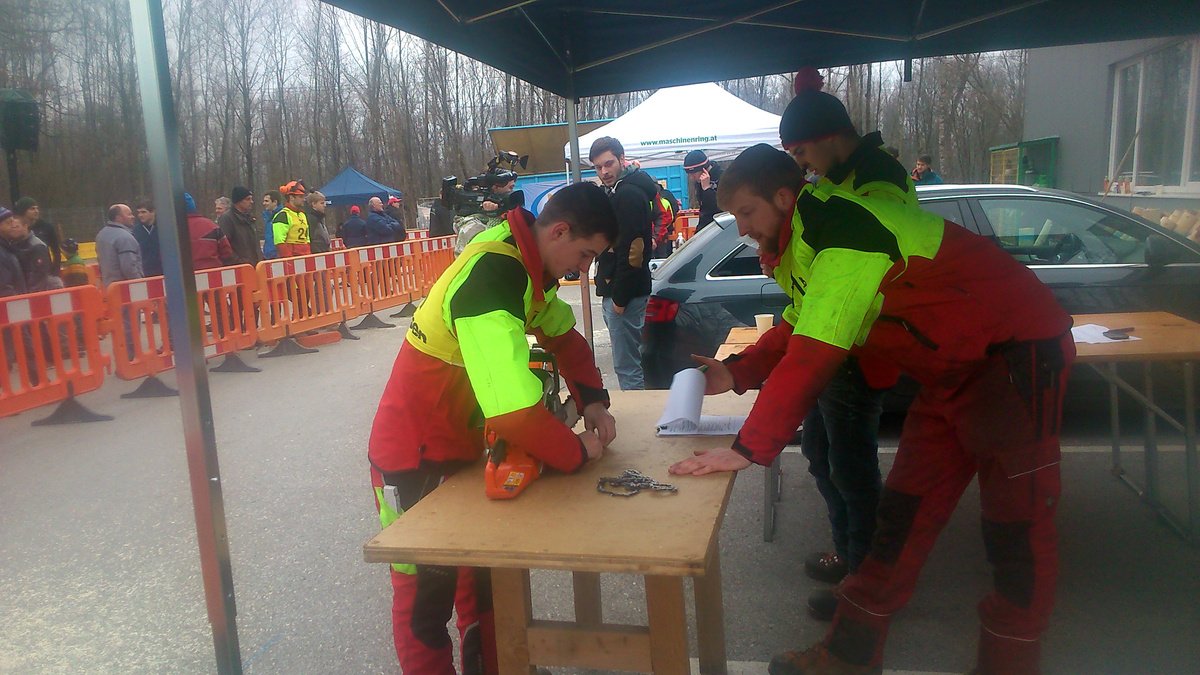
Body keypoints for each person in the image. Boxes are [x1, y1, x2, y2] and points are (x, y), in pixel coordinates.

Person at [669, 143, 1073, 675]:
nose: (742, 229)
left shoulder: (844, 232)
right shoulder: (808, 239)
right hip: (952, 375)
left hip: (1017, 361)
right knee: (900, 519)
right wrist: (737, 371)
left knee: (1017, 531)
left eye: (747, 213)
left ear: (784, 198)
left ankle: (1009, 667)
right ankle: (848, 657)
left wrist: (749, 448)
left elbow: (815, 350)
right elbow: (800, 321)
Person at [367, 182, 619, 674]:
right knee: (426, 600)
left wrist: (594, 400)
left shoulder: (526, 264)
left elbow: (563, 336)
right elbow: (514, 414)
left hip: (461, 447)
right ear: (560, 231)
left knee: (484, 580)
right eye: (585, 255)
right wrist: (577, 452)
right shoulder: (493, 274)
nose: (582, 270)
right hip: (410, 457)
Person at [766, 79, 920, 622]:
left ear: (830, 137)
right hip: (834, 337)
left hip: (859, 345)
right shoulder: (833, 183)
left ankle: (866, 581)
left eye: (802, 154)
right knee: (821, 454)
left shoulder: (880, 179)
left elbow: (857, 260)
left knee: (854, 470)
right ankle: (848, 554)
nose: (803, 168)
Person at [589, 136, 656, 390]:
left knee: (627, 368)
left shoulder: (628, 194)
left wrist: (620, 297)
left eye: (609, 164)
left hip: (625, 294)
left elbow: (633, 251)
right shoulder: (619, 190)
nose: (604, 172)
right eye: (598, 167)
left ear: (622, 159)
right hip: (621, 290)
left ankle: (637, 410)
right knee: (629, 365)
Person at [2, 203, 62, 292]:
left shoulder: (37, 246)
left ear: (25, 226)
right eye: (11, 227)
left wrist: (30, 296)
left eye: (16, 227)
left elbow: (38, 278)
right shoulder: (12, 246)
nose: (13, 229)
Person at [95, 204, 143, 287]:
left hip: (109, 287)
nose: (133, 217)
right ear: (118, 218)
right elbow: (129, 268)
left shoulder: (101, 235)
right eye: (129, 214)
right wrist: (140, 283)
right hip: (126, 288)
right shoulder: (125, 237)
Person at [184, 192, 234, 270]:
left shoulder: (171, 231)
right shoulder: (212, 226)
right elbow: (227, 253)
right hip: (214, 273)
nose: (217, 211)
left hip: (183, 275)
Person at [13, 197, 61, 277]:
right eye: (32, 209)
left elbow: (56, 251)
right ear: (23, 211)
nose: (36, 211)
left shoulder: (46, 227)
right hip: (23, 273)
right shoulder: (16, 229)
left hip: (45, 273)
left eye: (37, 208)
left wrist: (55, 272)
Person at [219, 186, 262, 266]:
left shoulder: (250, 218)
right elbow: (224, 247)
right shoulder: (227, 219)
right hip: (239, 268)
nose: (252, 202)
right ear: (238, 201)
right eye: (248, 199)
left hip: (255, 266)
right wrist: (240, 262)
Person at [683, 149, 723, 231]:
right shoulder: (700, 182)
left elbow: (721, 208)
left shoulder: (723, 179)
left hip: (721, 229)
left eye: (693, 174)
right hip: (708, 229)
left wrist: (707, 189)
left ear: (704, 169)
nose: (691, 178)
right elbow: (704, 212)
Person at [272, 181, 311, 258]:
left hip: (305, 255)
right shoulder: (282, 215)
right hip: (292, 257)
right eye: (300, 197)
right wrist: (288, 259)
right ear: (291, 197)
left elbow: (307, 238)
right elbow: (279, 241)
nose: (303, 199)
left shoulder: (302, 214)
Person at [0, 207, 28, 297]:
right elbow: (5, 289)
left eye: (13, 221)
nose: (13, 225)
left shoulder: (8, 248)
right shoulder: (2, 253)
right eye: (8, 223)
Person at [133, 198, 163, 277]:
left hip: (163, 271)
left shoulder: (163, 227)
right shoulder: (135, 231)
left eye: (143, 212)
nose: (140, 215)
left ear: (153, 212)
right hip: (145, 273)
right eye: (138, 212)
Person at [261, 190, 282, 259]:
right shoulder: (267, 216)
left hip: (278, 257)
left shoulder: (282, 215)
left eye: (266, 201)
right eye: (264, 201)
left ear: (275, 202)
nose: (264, 203)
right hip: (268, 256)